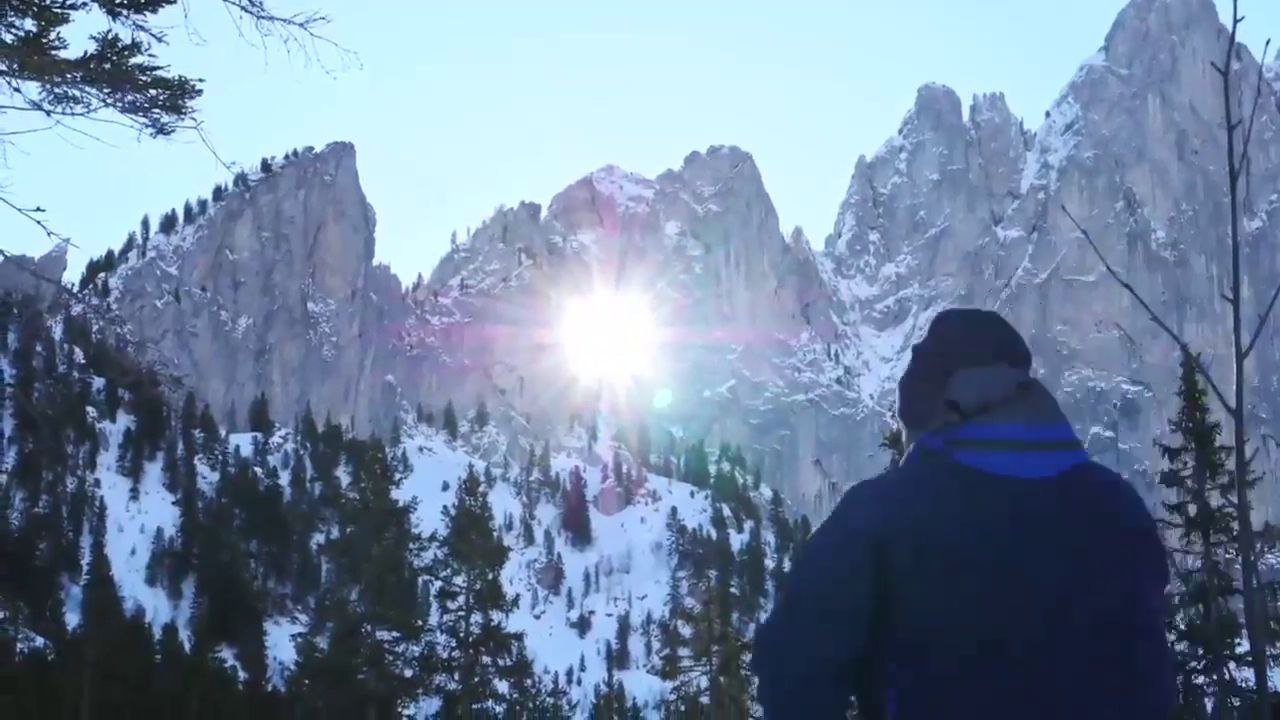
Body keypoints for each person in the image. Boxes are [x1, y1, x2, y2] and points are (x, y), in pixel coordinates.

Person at [751, 307, 1175, 719]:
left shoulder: (881, 514)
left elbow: (793, 667)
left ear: (938, 409)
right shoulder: (1118, 507)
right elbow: (1152, 682)